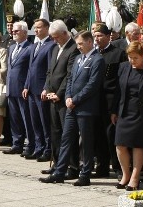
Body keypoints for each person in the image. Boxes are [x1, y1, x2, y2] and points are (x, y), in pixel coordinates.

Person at [39, 31, 104, 186]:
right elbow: (70, 79)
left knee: (86, 142)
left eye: (81, 44)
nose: (79, 47)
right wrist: (68, 96)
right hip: (71, 107)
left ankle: (85, 174)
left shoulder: (97, 60)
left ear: (90, 42)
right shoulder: (78, 59)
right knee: (66, 139)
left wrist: (75, 99)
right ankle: (59, 172)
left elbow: (92, 85)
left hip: (85, 108)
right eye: (77, 44)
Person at [41, 20, 79, 176]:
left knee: (68, 133)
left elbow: (69, 75)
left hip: (64, 99)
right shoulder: (56, 49)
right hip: (52, 97)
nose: (54, 40)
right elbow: (50, 72)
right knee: (55, 132)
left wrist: (60, 94)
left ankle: (73, 166)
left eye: (56, 37)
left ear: (65, 33)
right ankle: (58, 164)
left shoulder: (73, 49)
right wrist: (46, 88)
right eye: (52, 37)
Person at [112, 41, 143, 191]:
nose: (132, 61)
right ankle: (125, 174)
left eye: (135, 58)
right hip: (124, 110)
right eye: (130, 57)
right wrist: (114, 111)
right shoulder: (123, 67)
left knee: (138, 144)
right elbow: (117, 91)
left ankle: (135, 176)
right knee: (120, 144)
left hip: (141, 112)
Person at [92, 21, 127, 177]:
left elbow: (122, 81)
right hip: (95, 100)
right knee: (98, 135)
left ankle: (119, 168)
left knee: (111, 136)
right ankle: (102, 166)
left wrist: (116, 107)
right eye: (95, 36)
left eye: (100, 35)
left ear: (108, 36)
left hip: (111, 100)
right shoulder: (93, 53)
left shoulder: (118, 53)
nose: (97, 38)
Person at [23, 18, 54, 162]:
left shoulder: (51, 45)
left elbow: (50, 70)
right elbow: (30, 68)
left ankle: (48, 149)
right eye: (35, 28)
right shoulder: (34, 45)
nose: (36, 30)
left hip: (42, 90)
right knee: (34, 121)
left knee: (44, 122)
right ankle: (38, 147)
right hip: (31, 90)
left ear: (47, 28)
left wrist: (46, 88)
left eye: (39, 27)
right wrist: (26, 85)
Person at [4, 21, 33, 155]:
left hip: (22, 89)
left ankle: (30, 145)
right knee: (14, 118)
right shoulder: (11, 48)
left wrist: (26, 86)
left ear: (25, 33)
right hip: (11, 88)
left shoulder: (30, 48)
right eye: (13, 31)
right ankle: (17, 143)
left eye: (16, 31)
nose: (13, 33)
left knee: (26, 118)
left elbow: (30, 70)